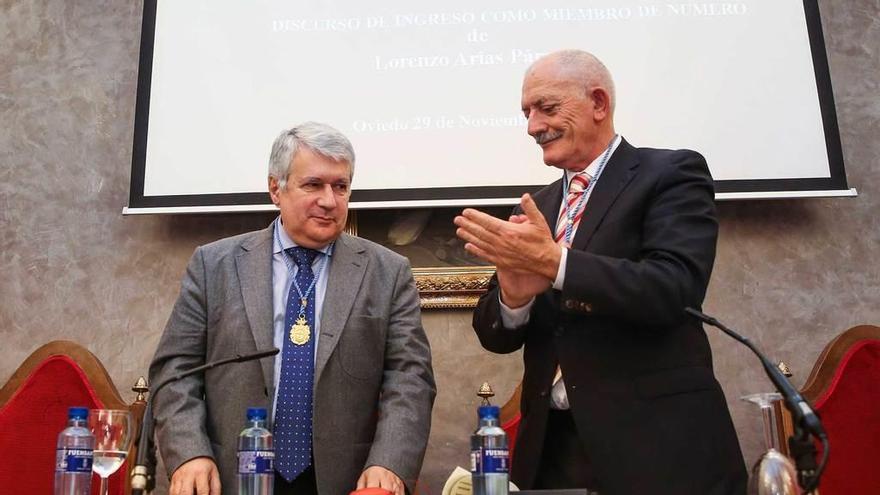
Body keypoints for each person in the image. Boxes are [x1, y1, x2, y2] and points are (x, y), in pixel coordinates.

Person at [454, 50, 747, 494]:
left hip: (659, 448)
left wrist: (555, 264)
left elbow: (674, 289)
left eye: (547, 108)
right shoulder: (537, 206)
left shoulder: (671, 173)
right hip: (553, 453)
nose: (533, 127)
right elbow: (497, 336)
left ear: (598, 103)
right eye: (527, 113)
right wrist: (514, 297)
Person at [149, 121, 436, 495]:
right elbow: (175, 371)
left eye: (341, 186)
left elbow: (410, 378)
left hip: (344, 481)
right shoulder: (214, 265)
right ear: (275, 189)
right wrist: (189, 454)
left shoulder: (387, 272)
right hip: (232, 477)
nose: (330, 200)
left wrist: (389, 462)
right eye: (313, 185)